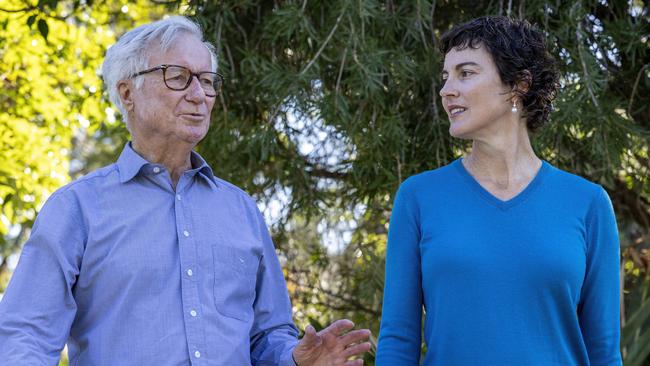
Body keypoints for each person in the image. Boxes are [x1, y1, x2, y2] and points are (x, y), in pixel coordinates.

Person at [0, 16, 370, 366]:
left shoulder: (241, 211)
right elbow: (26, 336)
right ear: (127, 92)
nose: (199, 94)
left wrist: (294, 357)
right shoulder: (76, 209)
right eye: (179, 77)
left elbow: (267, 336)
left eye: (207, 81)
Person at [376, 16, 621, 365]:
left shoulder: (588, 203)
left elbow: (604, 351)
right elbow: (398, 342)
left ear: (518, 85)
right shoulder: (418, 197)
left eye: (466, 73)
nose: (446, 90)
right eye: (446, 77)